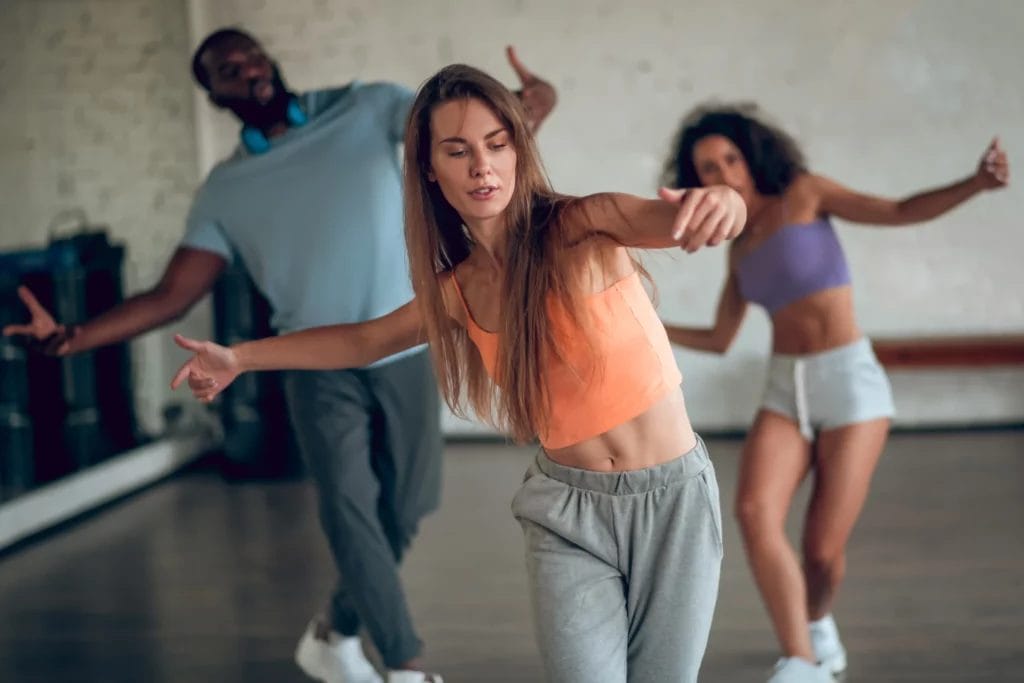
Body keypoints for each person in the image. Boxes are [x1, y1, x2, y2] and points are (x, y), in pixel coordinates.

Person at [3, 29, 556, 683]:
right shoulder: (226, 190)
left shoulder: (372, 106)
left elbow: (479, 138)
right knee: (349, 507)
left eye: (248, 55)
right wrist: (74, 336)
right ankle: (406, 663)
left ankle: (333, 631)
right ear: (214, 95)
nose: (244, 69)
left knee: (408, 506)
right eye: (225, 70)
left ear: (269, 59)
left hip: (404, 343)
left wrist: (538, 98)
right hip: (313, 365)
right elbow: (172, 294)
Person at [170, 64, 747, 683]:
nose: (482, 165)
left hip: (672, 501)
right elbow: (365, 340)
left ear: (519, 149)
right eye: (458, 149)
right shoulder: (458, 291)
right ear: (429, 168)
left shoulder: (585, 224)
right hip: (566, 513)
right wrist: (242, 357)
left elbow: (687, 218)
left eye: (497, 144)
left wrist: (724, 202)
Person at [659, 103, 1010, 683]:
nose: (724, 173)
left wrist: (975, 183)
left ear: (750, 158)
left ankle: (818, 624)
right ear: (698, 182)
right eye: (709, 168)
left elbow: (898, 211)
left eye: (730, 158)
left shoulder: (806, 193)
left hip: (849, 382)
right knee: (752, 512)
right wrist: (647, 323)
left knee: (821, 552)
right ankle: (802, 661)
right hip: (784, 388)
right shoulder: (738, 247)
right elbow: (722, 339)